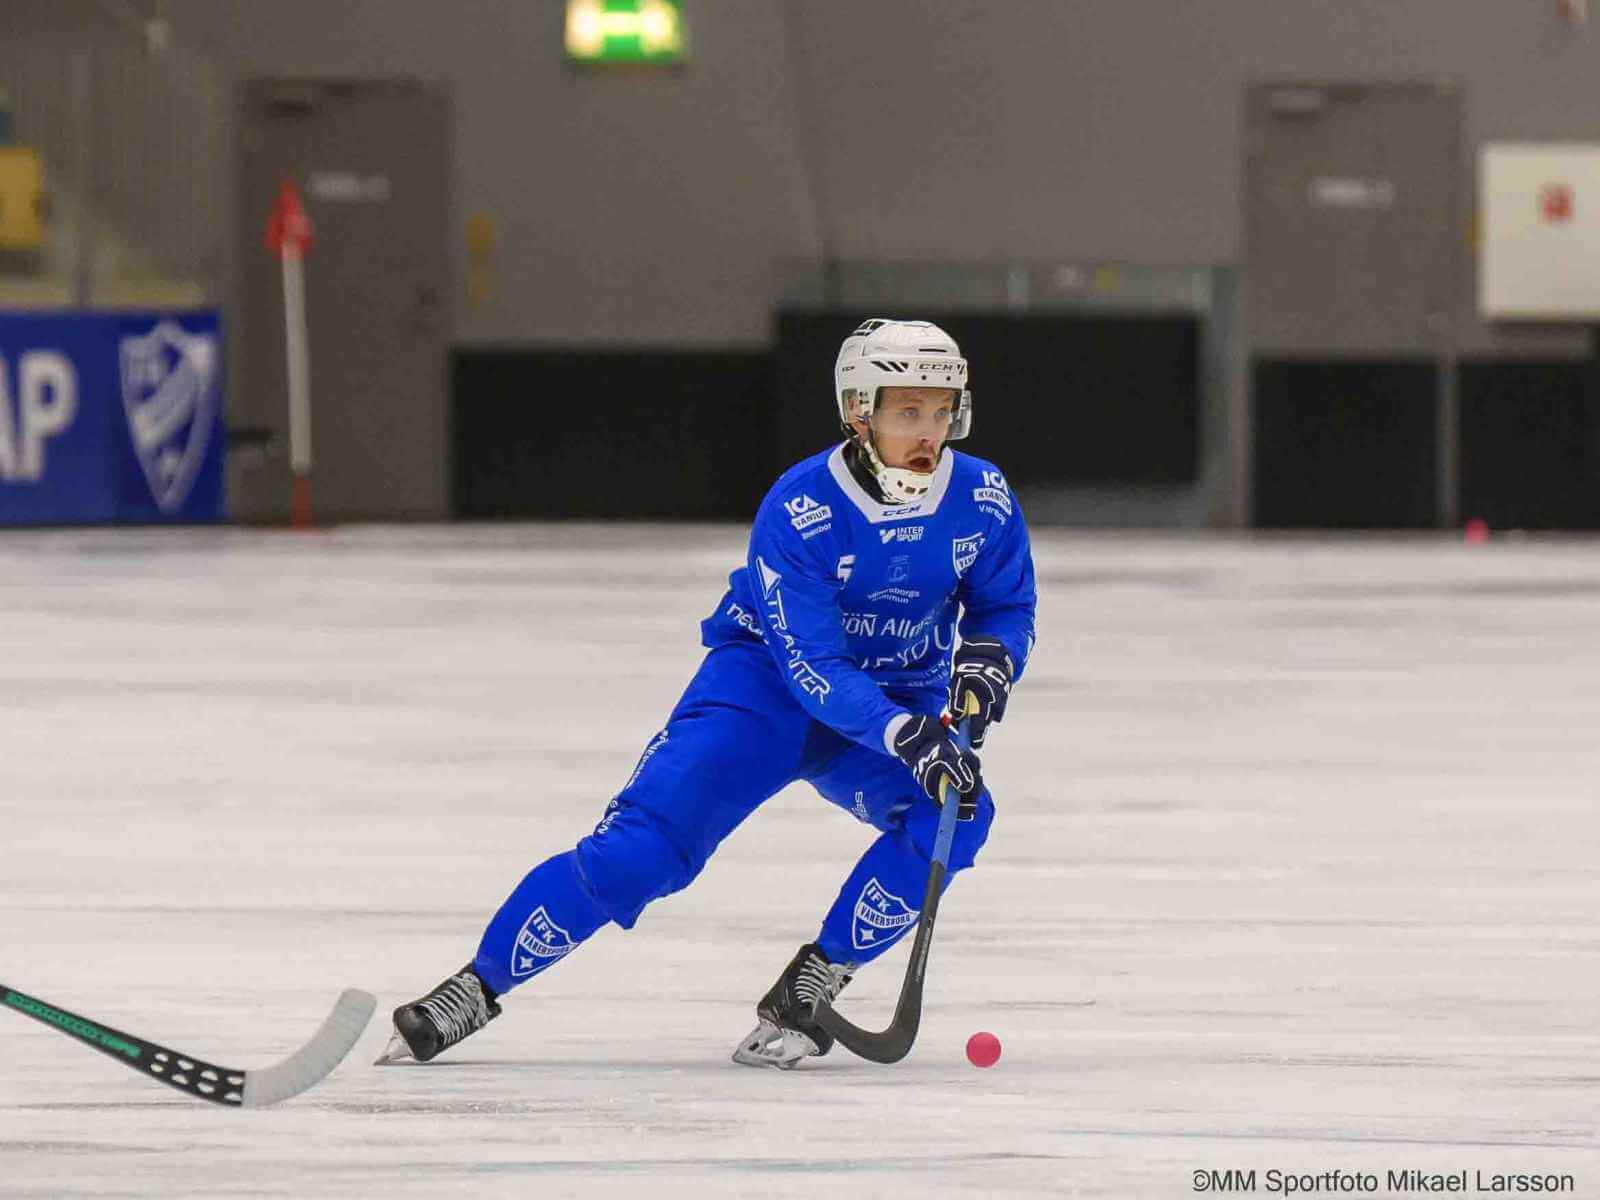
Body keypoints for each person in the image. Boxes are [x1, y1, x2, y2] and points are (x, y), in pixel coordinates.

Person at [379, 318, 1037, 1069]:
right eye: (908, 411)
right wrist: (904, 734)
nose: (929, 432)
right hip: (763, 693)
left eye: (942, 410)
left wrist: (991, 661)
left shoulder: (982, 496)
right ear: (860, 411)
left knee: (955, 813)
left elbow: (1004, 604)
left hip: (891, 702)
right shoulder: (803, 508)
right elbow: (814, 666)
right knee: (643, 853)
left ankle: (814, 982)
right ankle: (474, 987)